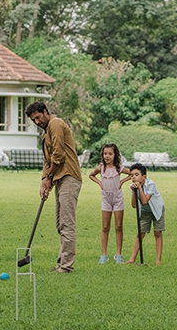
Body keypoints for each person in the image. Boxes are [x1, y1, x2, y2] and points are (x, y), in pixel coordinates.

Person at [25, 102, 82, 273]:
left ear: (45, 112)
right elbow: (47, 160)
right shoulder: (45, 132)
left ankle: (66, 266)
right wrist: (44, 180)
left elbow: (59, 155)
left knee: (66, 223)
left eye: (38, 117)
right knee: (60, 223)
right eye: (33, 120)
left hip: (69, 176)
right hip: (59, 178)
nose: (37, 122)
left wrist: (49, 177)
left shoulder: (55, 124)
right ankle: (61, 263)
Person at [88, 144, 131, 264]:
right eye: (105, 153)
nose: (107, 156)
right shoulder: (101, 167)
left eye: (110, 154)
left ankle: (118, 254)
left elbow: (131, 173)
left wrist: (122, 181)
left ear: (115, 155)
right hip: (106, 199)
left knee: (118, 226)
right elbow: (91, 175)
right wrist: (99, 183)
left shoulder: (119, 168)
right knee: (105, 227)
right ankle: (104, 255)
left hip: (117, 198)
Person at [126, 163, 165, 265]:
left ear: (144, 176)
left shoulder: (151, 184)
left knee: (157, 232)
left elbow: (144, 201)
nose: (133, 177)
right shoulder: (133, 187)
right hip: (145, 211)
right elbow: (134, 205)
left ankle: (158, 260)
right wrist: (134, 191)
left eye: (136, 174)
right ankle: (132, 259)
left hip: (157, 209)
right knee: (140, 233)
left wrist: (139, 188)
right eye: (132, 175)